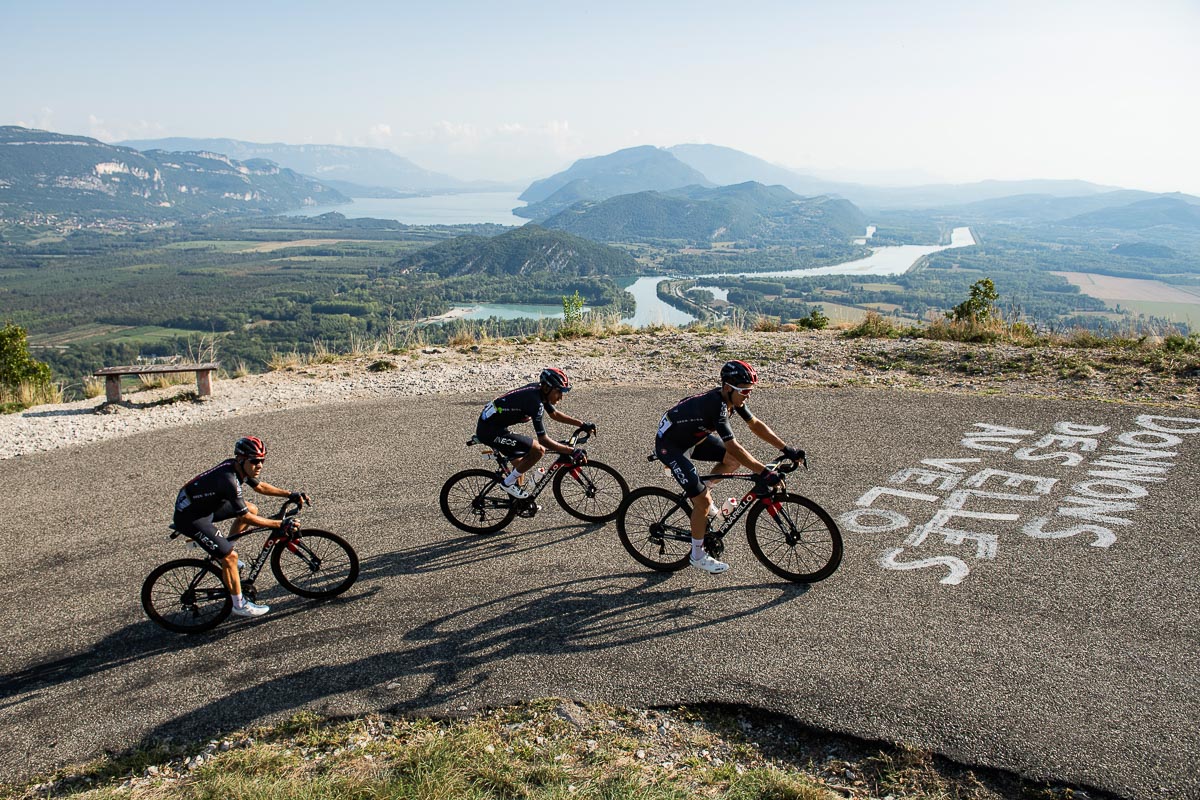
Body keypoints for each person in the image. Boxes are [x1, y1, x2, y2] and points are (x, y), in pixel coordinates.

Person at [655, 360, 804, 574]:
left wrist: (786, 448)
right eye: (744, 391)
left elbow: (755, 425)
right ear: (727, 387)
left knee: (731, 463)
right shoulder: (716, 406)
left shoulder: (732, 399)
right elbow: (733, 446)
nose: (748, 395)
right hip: (671, 446)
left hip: (693, 438)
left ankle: (702, 498)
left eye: (750, 390)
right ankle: (697, 555)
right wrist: (763, 471)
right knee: (703, 501)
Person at [173, 436, 310, 617]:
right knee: (230, 556)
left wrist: (290, 494)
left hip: (204, 507)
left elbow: (260, 487)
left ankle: (226, 554)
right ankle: (239, 604)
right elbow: (244, 517)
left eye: (262, 460)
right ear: (241, 459)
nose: (259, 465)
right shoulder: (229, 480)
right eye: (255, 461)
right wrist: (280, 523)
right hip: (192, 518)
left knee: (252, 507)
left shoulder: (238, 468)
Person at [476, 368, 596, 499]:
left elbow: (554, 414)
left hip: (495, 426)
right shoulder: (535, 402)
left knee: (520, 465)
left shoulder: (539, 392)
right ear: (547, 388)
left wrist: (581, 424)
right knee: (538, 450)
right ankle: (507, 484)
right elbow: (543, 441)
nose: (561, 397)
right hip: (490, 431)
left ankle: (517, 503)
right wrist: (571, 451)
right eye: (559, 391)